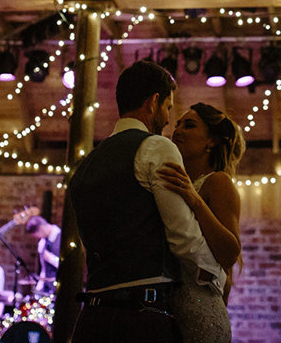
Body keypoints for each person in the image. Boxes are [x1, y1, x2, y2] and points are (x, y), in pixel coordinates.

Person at [67, 60, 225, 343]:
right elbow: (183, 239)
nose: (167, 121)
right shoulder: (156, 147)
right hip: (140, 318)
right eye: (167, 108)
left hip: (90, 319)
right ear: (153, 102)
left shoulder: (86, 164)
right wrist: (217, 275)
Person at [157, 103, 245, 342]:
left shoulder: (218, 182)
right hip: (168, 309)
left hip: (200, 312)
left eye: (190, 125)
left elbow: (228, 253)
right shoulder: (173, 183)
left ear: (212, 141)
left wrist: (194, 200)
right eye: (177, 124)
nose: (178, 130)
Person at [24, 216, 61, 296]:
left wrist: (52, 259)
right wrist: (39, 288)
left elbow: (69, 267)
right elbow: (44, 270)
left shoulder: (62, 238)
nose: (37, 237)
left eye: (36, 235)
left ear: (41, 228)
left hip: (60, 289)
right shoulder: (43, 242)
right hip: (47, 290)